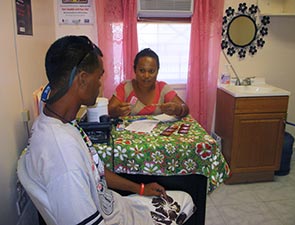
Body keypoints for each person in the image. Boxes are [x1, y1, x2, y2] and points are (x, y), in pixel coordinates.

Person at [17, 36, 195, 225]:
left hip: (116, 207)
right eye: (99, 76)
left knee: (184, 198)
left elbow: (96, 171)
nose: (101, 84)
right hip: (117, 218)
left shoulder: (60, 122)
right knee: (187, 201)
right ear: (83, 79)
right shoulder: (63, 155)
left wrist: (140, 188)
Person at [108, 48, 189, 118]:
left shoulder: (162, 88)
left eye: (151, 71)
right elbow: (109, 110)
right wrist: (117, 111)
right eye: (142, 70)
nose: (146, 76)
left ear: (157, 71)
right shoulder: (125, 87)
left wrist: (178, 109)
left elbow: (185, 108)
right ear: (135, 70)